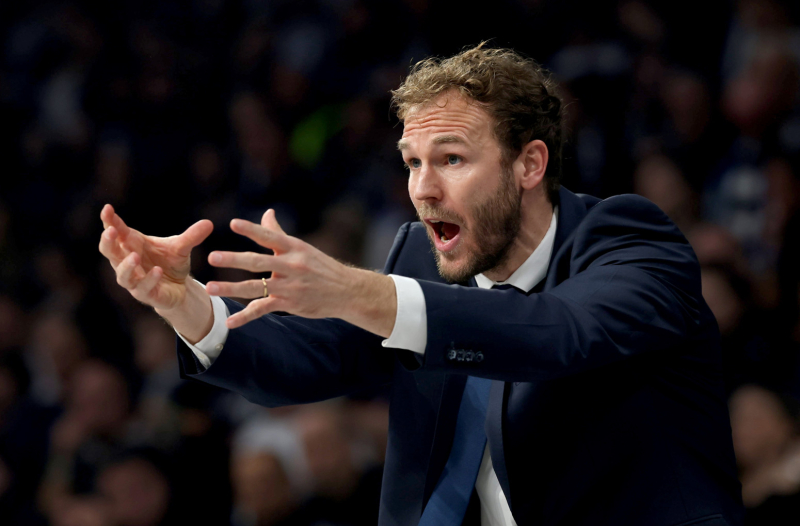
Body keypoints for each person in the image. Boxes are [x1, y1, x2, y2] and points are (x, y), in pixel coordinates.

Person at [98, 44, 744, 526]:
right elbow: (302, 362)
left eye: (451, 159)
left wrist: (361, 292)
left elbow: (557, 334)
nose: (423, 190)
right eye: (412, 163)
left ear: (529, 163)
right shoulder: (419, 256)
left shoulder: (632, 241)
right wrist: (190, 308)